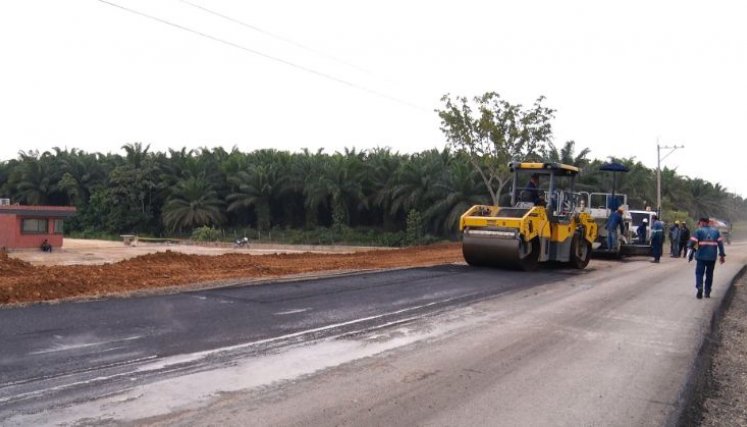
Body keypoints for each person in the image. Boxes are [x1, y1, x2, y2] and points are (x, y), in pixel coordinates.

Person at [687, 217, 726, 299]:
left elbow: (691, 243)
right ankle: (707, 292)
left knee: (699, 273)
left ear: (701, 222)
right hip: (712, 257)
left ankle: (700, 287)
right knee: (709, 274)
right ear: (708, 223)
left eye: (699, 223)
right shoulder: (716, 231)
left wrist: (691, 250)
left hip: (701, 257)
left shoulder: (698, 231)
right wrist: (722, 255)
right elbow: (720, 245)